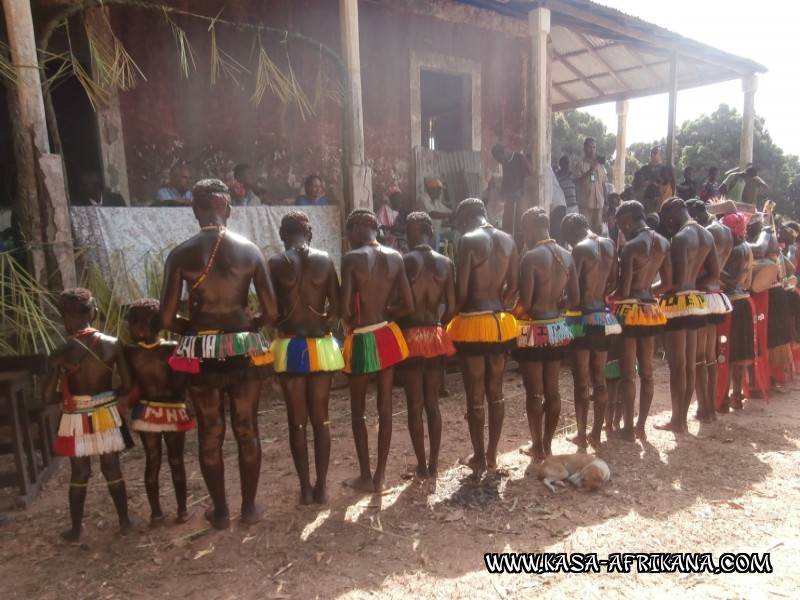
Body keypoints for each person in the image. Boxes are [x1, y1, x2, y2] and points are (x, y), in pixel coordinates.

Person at [160, 179, 277, 529]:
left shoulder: (181, 254)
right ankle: (250, 508)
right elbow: (270, 312)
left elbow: (166, 318)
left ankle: (221, 512)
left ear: (195, 209)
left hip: (201, 351)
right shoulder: (251, 251)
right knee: (247, 427)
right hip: (243, 346)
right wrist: (247, 328)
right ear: (228, 208)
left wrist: (195, 333)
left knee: (210, 430)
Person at [43, 288, 135, 542]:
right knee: (112, 468)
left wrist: (68, 391)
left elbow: (48, 397)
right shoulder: (113, 344)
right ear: (92, 314)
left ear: (63, 317)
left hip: (74, 418)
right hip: (106, 412)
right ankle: (125, 521)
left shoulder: (59, 354)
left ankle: (75, 529)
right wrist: (108, 396)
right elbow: (127, 385)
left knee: (79, 472)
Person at [268, 212, 343, 504]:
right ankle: (322, 487)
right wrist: (320, 316)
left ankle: (304, 489)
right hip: (321, 345)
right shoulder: (325, 260)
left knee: (296, 422)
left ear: (283, 236)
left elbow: (271, 313)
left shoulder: (274, 264)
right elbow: (336, 308)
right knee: (321, 420)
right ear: (309, 234)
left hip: (289, 346)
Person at [340, 209, 413, 493]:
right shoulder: (396, 257)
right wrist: (385, 312)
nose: (349, 239)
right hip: (386, 335)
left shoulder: (351, 259)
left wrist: (357, 316)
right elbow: (408, 305)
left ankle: (365, 475)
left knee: (358, 410)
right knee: (385, 408)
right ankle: (381, 476)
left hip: (360, 338)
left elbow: (345, 311)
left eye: (349, 233)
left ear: (358, 227)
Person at [446, 198, 518, 473]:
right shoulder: (508, 239)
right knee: (496, 392)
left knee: (475, 394)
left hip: (473, 321)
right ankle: (492, 455)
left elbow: (462, 291)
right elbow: (515, 283)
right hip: (498, 321)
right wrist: (499, 301)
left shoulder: (467, 240)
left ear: (464, 219)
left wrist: (452, 315)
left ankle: (478, 457)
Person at [513, 207, 578, 458]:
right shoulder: (567, 256)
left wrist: (510, 315)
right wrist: (555, 307)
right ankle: (548, 445)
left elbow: (525, 304)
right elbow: (575, 299)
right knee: (553, 390)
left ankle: (537, 445)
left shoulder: (531, 257)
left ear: (530, 229)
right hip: (557, 328)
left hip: (532, 330)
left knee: (534, 392)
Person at [124, 298, 195, 525]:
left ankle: (156, 514)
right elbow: (180, 387)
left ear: (142, 328)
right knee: (176, 461)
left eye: (131, 326)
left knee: (152, 460)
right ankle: (183, 511)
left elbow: (128, 384)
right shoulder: (172, 349)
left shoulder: (130, 353)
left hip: (145, 412)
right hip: (173, 411)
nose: (129, 330)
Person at [398, 212, 456, 479]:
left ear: (410, 233)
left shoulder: (403, 261)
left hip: (409, 337)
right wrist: (438, 329)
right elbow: (452, 309)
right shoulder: (445, 263)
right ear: (430, 233)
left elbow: (399, 304)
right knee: (432, 403)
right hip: (434, 335)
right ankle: (434, 464)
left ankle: (421, 465)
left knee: (414, 405)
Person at [655, 197, 719, 435]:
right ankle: (681, 419)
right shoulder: (706, 235)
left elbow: (676, 281)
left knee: (677, 366)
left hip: (677, 305)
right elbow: (714, 273)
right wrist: (694, 285)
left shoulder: (681, 238)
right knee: (691, 363)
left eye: (667, 220)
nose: (667, 225)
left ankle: (677, 420)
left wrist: (650, 290)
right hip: (697, 302)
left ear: (672, 214)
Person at [612, 201, 671, 441]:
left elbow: (624, 292)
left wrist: (609, 296)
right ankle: (641, 427)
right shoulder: (664, 243)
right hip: (650, 310)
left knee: (628, 374)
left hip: (629, 311)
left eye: (620, 226)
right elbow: (667, 284)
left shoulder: (631, 247)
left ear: (627, 221)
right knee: (647, 373)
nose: (621, 231)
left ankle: (627, 429)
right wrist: (647, 291)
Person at [561, 213, 620, 449]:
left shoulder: (579, 250)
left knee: (581, 382)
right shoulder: (609, 244)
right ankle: (596, 433)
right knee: (600, 379)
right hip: (604, 317)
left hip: (581, 319)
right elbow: (614, 282)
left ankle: (582, 435)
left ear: (572, 231)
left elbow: (573, 293)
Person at [686, 199, 733, 422]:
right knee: (710, 357)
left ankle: (704, 409)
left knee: (699, 357)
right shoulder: (726, 231)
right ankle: (709, 408)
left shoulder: (706, 233)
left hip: (703, 296)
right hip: (716, 296)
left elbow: (707, 269)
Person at [717, 213, 755, 411]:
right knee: (734, 356)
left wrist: (714, 268)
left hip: (734, 305)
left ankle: (727, 398)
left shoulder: (738, 249)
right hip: (736, 304)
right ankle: (732, 397)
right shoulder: (735, 247)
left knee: (731, 356)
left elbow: (733, 279)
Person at [492, 143, 530, 244]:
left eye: (498, 158)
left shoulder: (520, 159)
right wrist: (503, 194)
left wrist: (520, 192)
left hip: (521, 200)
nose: (498, 161)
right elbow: (506, 182)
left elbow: (527, 180)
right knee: (507, 226)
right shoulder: (505, 164)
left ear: (504, 153)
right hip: (510, 200)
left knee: (520, 227)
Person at [573, 137, 607, 234]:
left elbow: (604, 185)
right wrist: (590, 171)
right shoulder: (580, 165)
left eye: (594, 147)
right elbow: (577, 182)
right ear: (584, 149)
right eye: (589, 147)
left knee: (598, 232)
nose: (592, 150)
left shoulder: (600, 166)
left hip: (599, 205)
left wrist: (606, 203)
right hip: (585, 206)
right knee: (585, 232)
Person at [419, 177, 453, 252]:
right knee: (436, 234)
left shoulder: (437, 202)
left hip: (436, 231)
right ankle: (434, 258)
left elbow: (449, 212)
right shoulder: (423, 199)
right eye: (439, 189)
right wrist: (451, 215)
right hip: (425, 232)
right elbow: (432, 214)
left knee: (454, 233)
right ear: (431, 189)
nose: (440, 192)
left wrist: (456, 214)